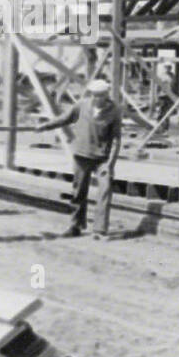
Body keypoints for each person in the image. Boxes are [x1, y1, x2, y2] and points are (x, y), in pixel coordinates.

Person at [31, 79, 122, 239]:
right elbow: (64, 119)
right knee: (79, 192)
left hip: (102, 159)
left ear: (106, 95)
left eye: (100, 95)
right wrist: (44, 126)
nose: (96, 98)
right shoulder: (81, 105)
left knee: (105, 191)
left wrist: (110, 163)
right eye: (93, 94)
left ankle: (100, 230)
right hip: (81, 155)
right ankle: (76, 226)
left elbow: (116, 139)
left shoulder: (114, 111)